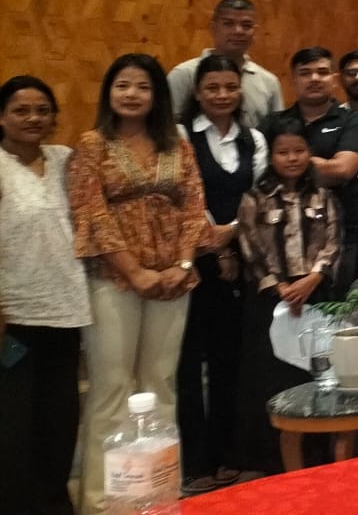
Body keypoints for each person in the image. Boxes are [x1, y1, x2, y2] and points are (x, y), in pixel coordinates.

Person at [70, 54, 211, 512]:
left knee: (160, 385)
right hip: (114, 281)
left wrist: (183, 265)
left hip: (173, 280)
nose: (131, 94)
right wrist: (134, 271)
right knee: (111, 389)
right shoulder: (92, 146)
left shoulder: (178, 146)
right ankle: (102, 502)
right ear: (109, 92)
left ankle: (159, 495)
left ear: (158, 96)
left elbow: (194, 207)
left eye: (142, 87)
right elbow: (92, 213)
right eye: (122, 85)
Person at [0, 76, 91, 515]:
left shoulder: (63, 159)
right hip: (13, 317)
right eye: (21, 110)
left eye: (42, 110)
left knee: (60, 416)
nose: (33, 118)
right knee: (16, 419)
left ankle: (55, 502)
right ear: (2, 117)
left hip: (67, 310)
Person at [176, 55, 266, 494]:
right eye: (212, 87)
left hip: (242, 257)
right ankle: (194, 460)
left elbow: (259, 195)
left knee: (231, 358)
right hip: (191, 259)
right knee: (189, 362)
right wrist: (214, 241)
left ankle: (229, 452)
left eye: (230, 87)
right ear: (197, 92)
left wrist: (229, 235)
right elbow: (185, 194)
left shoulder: (254, 139)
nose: (222, 95)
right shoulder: (181, 136)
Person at [232, 118, 342, 474]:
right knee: (272, 378)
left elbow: (333, 242)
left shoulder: (323, 196)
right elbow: (249, 247)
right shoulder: (254, 198)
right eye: (283, 152)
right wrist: (278, 287)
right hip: (269, 298)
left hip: (316, 294)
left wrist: (314, 277)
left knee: (315, 375)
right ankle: (272, 463)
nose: (292, 158)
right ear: (271, 156)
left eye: (299, 150)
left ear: (309, 153)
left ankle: (317, 457)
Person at [266, 47, 358, 291]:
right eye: (305, 73)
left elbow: (343, 170)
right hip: (281, 235)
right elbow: (263, 172)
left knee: (336, 308)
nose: (314, 78)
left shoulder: (351, 120)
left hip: (339, 233)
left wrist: (285, 163)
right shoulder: (273, 122)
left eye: (322, 72)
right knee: (285, 307)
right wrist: (321, 164)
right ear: (293, 79)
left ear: (334, 79)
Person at [167, 0, 284, 128]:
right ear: (213, 28)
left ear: (254, 31)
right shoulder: (184, 74)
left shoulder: (269, 82)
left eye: (246, 25)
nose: (238, 31)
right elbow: (165, 127)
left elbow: (278, 131)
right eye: (228, 24)